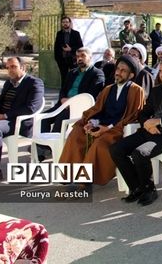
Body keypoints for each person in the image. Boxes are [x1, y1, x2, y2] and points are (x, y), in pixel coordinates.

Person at [110, 60, 162, 205]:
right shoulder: (156, 90)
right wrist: (147, 124)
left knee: (139, 153)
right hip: (148, 131)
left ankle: (149, 190)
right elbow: (143, 113)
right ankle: (136, 187)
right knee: (116, 149)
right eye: (160, 71)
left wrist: (159, 122)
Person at [59, 55, 145, 185]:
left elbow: (132, 116)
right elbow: (98, 109)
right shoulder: (108, 89)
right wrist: (92, 122)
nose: (118, 72)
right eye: (118, 69)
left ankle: (85, 179)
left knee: (100, 144)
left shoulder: (136, 91)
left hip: (118, 130)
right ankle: (68, 174)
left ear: (131, 75)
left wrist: (107, 129)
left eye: (123, 71)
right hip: (101, 125)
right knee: (76, 135)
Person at [37, 47, 105, 161]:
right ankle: (46, 148)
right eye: (78, 57)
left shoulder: (97, 74)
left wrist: (72, 102)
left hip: (79, 108)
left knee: (61, 119)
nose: (79, 59)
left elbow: (91, 95)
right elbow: (63, 89)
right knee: (43, 118)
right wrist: (63, 98)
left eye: (82, 56)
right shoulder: (72, 72)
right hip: (63, 105)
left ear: (90, 57)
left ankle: (54, 150)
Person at [54, 16, 83, 87]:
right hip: (62, 59)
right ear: (61, 24)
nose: (65, 24)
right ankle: (63, 93)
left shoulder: (76, 33)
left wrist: (71, 49)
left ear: (70, 23)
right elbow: (56, 47)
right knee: (64, 77)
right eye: (63, 22)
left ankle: (74, 90)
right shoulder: (59, 34)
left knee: (75, 75)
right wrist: (57, 58)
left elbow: (80, 46)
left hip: (73, 59)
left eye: (67, 22)